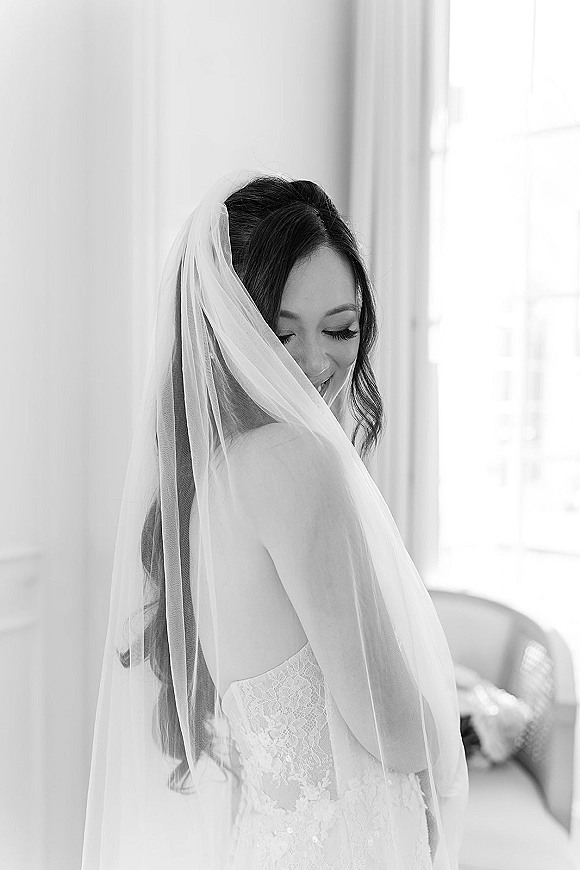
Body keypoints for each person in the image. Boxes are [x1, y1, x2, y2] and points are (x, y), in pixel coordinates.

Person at [81, 171, 468, 869]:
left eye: (341, 328)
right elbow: (398, 733)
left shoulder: (216, 476)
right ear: (229, 332)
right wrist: (447, 719)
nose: (320, 362)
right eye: (282, 335)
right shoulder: (297, 461)